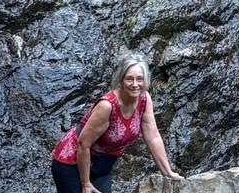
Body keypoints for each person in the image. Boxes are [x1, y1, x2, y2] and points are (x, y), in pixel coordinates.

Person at [50, 54, 184, 193]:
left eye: (140, 79)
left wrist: (168, 172)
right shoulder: (107, 106)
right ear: (121, 80)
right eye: (129, 79)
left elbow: (153, 137)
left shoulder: (144, 98)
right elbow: (83, 144)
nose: (135, 84)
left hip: (102, 164)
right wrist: (85, 183)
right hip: (72, 160)